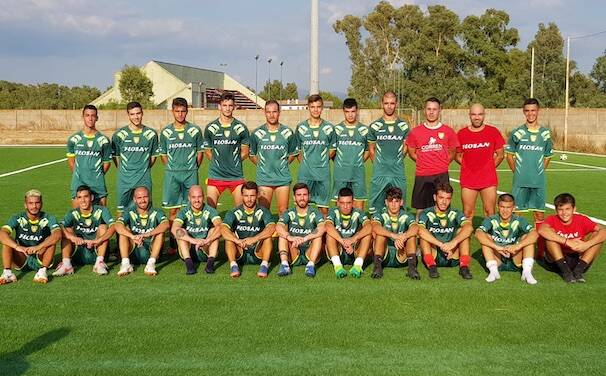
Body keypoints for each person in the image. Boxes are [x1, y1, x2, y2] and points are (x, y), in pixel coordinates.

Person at [158, 97, 204, 252]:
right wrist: (173, 167)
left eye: (183, 111)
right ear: (172, 111)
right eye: (177, 111)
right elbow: (164, 155)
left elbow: (199, 154)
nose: (180, 114)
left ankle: (189, 241)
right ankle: (173, 244)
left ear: (187, 111)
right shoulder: (166, 132)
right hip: (172, 175)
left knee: (191, 209)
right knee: (173, 210)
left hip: (190, 174)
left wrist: (191, 168)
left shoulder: (195, 130)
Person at [406, 98, 459, 218]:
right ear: (424, 111)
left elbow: (453, 151)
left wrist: (443, 163)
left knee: (443, 205)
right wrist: (423, 162)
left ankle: (442, 232)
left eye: (434, 109)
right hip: (422, 174)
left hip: (441, 174)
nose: (431, 112)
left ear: (439, 110)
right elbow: (411, 152)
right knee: (421, 208)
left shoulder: (448, 131)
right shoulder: (416, 132)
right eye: (429, 109)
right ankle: (420, 231)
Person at [538, 193, 605, 283]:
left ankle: (578, 271)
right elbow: (542, 230)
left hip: (578, 259)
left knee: (597, 235)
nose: (564, 213)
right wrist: (567, 242)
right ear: (556, 210)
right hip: (557, 262)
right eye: (560, 210)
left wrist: (586, 245)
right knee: (550, 237)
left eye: (567, 209)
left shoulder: (581, 219)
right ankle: (566, 272)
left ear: (574, 209)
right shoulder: (552, 219)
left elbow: (603, 231)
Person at [505, 98, 552, 223]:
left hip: (538, 182)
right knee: (517, 215)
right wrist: (518, 172)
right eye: (527, 111)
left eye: (533, 110)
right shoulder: (517, 133)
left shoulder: (545, 133)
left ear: (538, 111)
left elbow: (548, 156)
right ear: (523, 112)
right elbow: (509, 156)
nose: (530, 113)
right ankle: (519, 242)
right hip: (520, 181)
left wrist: (539, 171)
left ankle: (539, 243)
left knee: (539, 216)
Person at [0, 190, 61, 284]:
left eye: (37, 203)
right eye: (31, 203)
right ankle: (7, 273)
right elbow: (2, 234)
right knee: (8, 240)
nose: (34, 206)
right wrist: (18, 247)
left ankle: (42, 272)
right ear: (25, 204)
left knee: (50, 240)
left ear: (41, 204)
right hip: (21, 257)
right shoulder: (17, 217)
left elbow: (57, 234)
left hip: (40, 257)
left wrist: (38, 247)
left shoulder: (48, 217)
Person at [455, 103, 505, 218]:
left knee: (489, 212)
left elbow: (500, 154)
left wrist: (488, 168)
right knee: (467, 213)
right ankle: (465, 236)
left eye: (480, 114)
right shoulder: (462, 134)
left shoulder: (493, 132)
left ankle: (488, 236)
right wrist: (468, 166)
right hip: (468, 180)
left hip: (488, 179)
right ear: (469, 115)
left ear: (484, 115)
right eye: (474, 114)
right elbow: (457, 155)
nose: (477, 117)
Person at [475, 194, 538, 284]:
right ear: (498, 207)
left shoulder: (519, 220)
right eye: (502, 207)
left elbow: (535, 234)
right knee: (486, 237)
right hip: (498, 258)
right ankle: (493, 271)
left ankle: (527, 272)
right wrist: (497, 247)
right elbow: (478, 233)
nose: (505, 211)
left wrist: (517, 246)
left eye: (508, 207)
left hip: (516, 257)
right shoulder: (491, 219)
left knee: (526, 237)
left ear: (513, 208)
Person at [54, 185, 116, 277]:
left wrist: (99, 240)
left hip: (97, 249)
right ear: (76, 199)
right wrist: (72, 237)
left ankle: (99, 263)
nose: (83, 200)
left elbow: (114, 226)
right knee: (67, 229)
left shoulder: (102, 210)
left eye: (85, 197)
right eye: (79, 197)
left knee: (103, 227)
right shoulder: (72, 213)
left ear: (91, 198)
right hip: (78, 252)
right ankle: (66, 264)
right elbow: (60, 226)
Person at [249, 100, 298, 214]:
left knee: (283, 211)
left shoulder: (287, 132)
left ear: (279, 112)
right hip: (264, 179)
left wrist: (283, 164)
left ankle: (282, 232)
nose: (271, 115)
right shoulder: (257, 133)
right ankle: (266, 232)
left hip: (283, 179)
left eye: (274, 112)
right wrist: (262, 165)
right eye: (268, 112)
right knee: (263, 212)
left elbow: (292, 154)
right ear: (264, 113)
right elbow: (251, 155)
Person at [417, 183, 473, 279]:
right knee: (424, 234)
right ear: (435, 197)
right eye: (441, 197)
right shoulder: (426, 213)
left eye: (448, 198)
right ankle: (432, 267)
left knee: (463, 231)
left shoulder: (456, 213)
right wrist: (441, 245)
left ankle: (464, 267)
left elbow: (469, 228)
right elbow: (420, 231)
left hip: (453, 253)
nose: (444, 202)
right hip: (434, 253)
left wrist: (453, 243)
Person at [203, 92, 250, 208]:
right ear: (219, 106)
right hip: (216, 175)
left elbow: (245, 152)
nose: (227, 108)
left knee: (240, 211)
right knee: (210, 210)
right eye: (225, 105)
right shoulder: (210, 128)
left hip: (235, 176)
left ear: (234, 107)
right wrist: (217, 162)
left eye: (230, 105)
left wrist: (233, 162)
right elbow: (208, 151)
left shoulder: (241, 128)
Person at [111, 101, 159, 212]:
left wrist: (143, 168)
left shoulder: (151, 134)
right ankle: (122, 230)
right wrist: (125, 170)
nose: (136, 117)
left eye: (138, 113)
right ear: (128, 115)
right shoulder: (119, 135)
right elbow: (116, 157)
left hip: (144, 179)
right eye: (132, 114)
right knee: (121, 212)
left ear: (142, 113)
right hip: (124, 180)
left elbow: (153, 157)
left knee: (145, 210)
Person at [221, 182, 276, 278]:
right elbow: (223, 229)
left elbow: (272, 228)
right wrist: (236, 240)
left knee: (267, 238)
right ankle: (233, 265)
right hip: (240, 250)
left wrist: (254, 239)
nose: (249, 199)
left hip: (258, 251)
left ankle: (264, 266)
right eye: (246, 195)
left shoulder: (264, 211)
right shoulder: (234, 212)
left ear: (257, 195)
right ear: (241, 195)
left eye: (252, 195)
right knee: (229, 238)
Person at [367, 91, 410, 215]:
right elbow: (371, 149)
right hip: (380, 173)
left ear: (396, 104)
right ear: (382, 104)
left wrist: (397, 160)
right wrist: (379, 165)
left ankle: (398, 231)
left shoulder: (403, 126)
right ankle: (377, 232)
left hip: (398, 172)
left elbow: (405, 147)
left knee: (399, 206)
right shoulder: (375, 126)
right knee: (376, 208)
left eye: (392, 103)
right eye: (386, 103)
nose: (389, 106)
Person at [294, 94, 335, 216]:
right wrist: (308, 164)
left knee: (323, 208)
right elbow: (298, 151)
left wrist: (320, 162)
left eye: (318, 107)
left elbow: (332, 150)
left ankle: (322, 234)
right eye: (312, 107)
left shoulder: (329, 128)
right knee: (303, 206)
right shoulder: (301, 127)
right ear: (308, 108)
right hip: (305, 175)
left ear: (322, 108)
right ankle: (303, 232)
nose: (315, 109)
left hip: (323, 175)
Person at [114, 186, 169, 277]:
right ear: (134, 199)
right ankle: (125, 264)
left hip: (151, 249)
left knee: (160, 232)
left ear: (149, 197)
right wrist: (132, 236)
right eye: (139, 198)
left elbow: (166, 225)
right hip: (133, 248)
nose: (143, 200)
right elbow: (117, 225)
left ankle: (151, 264)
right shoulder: (129, 212)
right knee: (124, 231)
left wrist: (147, 234)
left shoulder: (157, 211)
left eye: (145, 197)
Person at [275, 183, 326, 277]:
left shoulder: (315, 212)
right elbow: (278, 227)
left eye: (304, 195)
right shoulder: (289, 212)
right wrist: (290, 237)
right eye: (299, 195)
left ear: (309, 196)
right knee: (282, 235)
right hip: (294, 250)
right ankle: (284, 265)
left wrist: (305, 238)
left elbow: (322, 227)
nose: (302, 198)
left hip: (310, 252)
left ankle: (311, 265)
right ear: (294, 197)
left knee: (318, 237)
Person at [66, 104, 112, 207]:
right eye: (87, 115)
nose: (90, 118)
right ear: (82, 117)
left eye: (93, 115)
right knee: (77, 218)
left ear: (97, 118)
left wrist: (96, 175)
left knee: (101, 219)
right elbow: (71, 162)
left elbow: (107, 163)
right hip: (78, 183)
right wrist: (80, 174)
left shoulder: (103, 140)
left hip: (97, 185)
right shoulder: (73, 139)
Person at [171, 185, 222, 275]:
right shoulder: (184, 211)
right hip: (189, 249)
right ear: (189, 198)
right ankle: (189, 265)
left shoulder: (210, 210)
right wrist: (194, 241)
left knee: (215, 230)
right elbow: (174, 229)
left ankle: (210, 264)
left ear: (204, 197)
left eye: (199, 197)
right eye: (194, 197)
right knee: (180, 231)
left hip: (206, 248)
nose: (197, 200)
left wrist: (207, 240)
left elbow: (220, 226)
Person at [370, 187, 419, 280]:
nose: (393, 204)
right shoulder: (380, 214)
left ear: (401, 202)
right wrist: (395, 236)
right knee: (380, 234)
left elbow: (415, 227)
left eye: (396, 201)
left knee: (411, 236)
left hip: (401, 254)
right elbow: (375, 227)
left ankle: (412, 268)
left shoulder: (406, 215)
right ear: (386, 202)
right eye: (390, 201)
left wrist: (403, 237)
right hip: (384, 254)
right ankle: (377, 267)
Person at [332, 98, 370, 211]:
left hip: (358, 174)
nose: (350, 115)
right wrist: (341, 163)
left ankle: (358, 228)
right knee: (340, 206)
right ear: (343, 111)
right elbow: (333, 152)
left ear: (357, 111)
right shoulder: (337, 130)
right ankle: (339, 228)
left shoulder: (364, 130)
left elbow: (367, 150)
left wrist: (358, 162)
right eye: (347, 112)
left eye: (353, 111)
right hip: (340, 173)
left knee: (358, 207)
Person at [325, 187, 372, 278]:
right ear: (338, 202)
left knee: (367, 234)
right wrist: (343, 242)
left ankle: (357, 266)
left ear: (353, 203)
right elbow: (328, 226)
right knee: (329, 235)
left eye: (348, 203)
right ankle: (338, 267)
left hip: (354, 251)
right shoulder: (333, 212)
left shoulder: (358, 212)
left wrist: (353, 239)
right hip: (339, 250)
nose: (345, 206)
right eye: (342, 203)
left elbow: (369, 227)